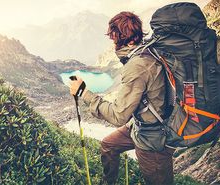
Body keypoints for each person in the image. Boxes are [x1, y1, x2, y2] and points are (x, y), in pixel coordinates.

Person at [70, 11, 174, 185]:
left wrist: (83, 92)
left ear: (123, 38)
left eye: (114, 37)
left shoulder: (137, 66)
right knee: (108, 145)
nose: (113, 43)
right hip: (139, 126)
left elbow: (118, 116)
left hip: (153, 138)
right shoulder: (145, 51)